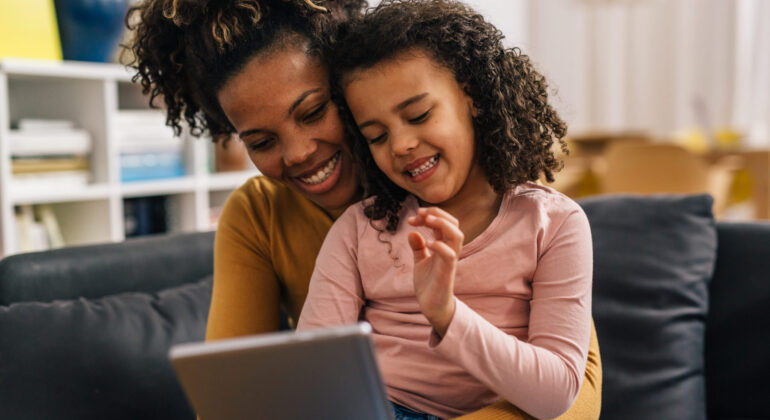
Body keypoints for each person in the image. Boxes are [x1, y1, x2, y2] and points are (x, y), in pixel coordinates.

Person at [126, 0, 601, 418]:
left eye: (313, 111)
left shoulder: (511, 200)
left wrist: (447, 315)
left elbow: (573, 392)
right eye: (262, 142)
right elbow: (234, 400)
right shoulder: (282, 218)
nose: (297, 154)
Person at [297, 1, 596, 419]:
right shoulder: (361, 228)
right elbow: (313, 371)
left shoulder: (554, 224)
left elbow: (556, 393)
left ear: (472, 96)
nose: (401, 145)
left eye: (418, 115)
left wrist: (447, 314)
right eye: (377, 136)